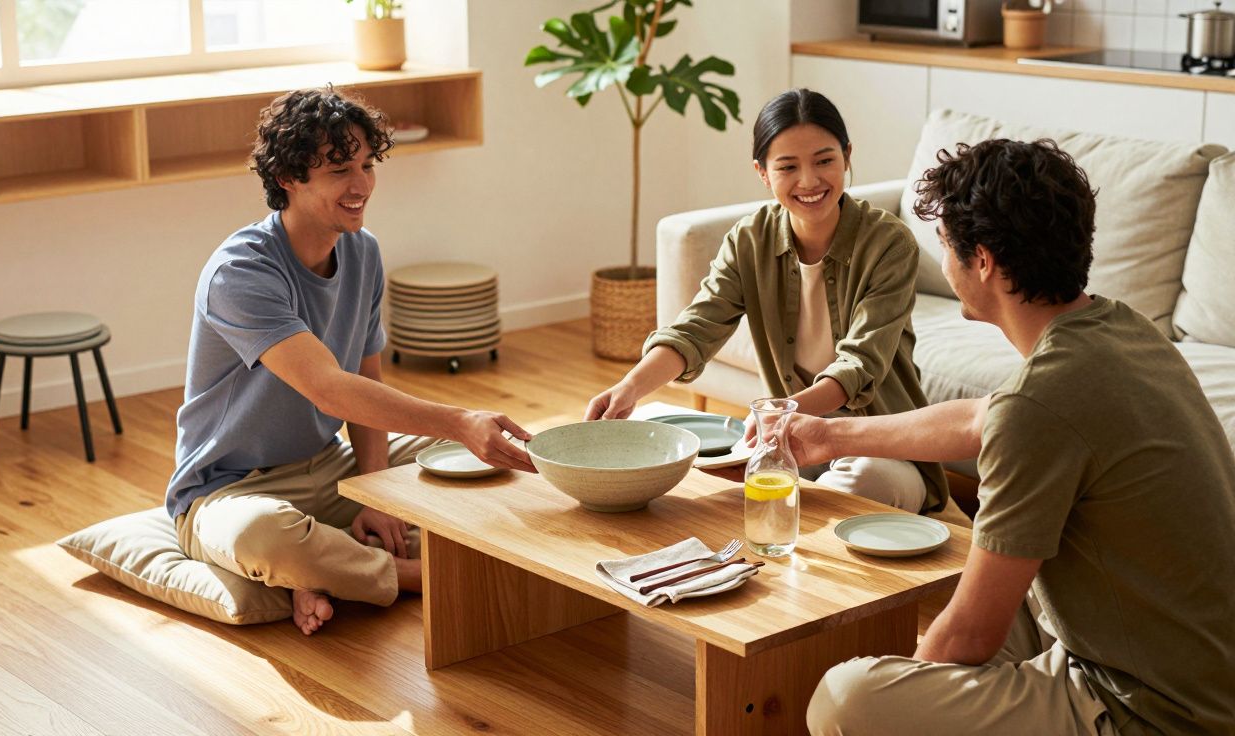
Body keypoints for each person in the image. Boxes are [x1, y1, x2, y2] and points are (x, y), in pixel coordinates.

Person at [798, 138, 1235, 735]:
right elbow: (982, 419)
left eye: (947, 248)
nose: (944, 265)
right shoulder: (1118, 327)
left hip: (1151, 709)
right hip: (1188, 664)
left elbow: (971, 635)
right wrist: (827, 436)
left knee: (845, 699)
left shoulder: (1041, 403)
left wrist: (912, 692)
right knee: (984, 599)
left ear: (982, 261)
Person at [165, 87, 536, 637]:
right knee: (262, 537)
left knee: (495, 461)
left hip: (328, 465)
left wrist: (376, 490)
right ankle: (413, 575)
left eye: (366, 165)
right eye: (340, 169)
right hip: (229, 489)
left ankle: (318, 572)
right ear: (289, 177)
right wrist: (459, 420)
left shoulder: (363, 252)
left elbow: (367, 384)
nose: (360, 185)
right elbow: (330, 390)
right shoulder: (240, 273)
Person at [585, 88, 946, 513]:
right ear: (762, 171)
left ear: (847, 156)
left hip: (876, 446)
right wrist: (629, 389)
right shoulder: (749, 240)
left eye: (825, 160)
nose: (809, 181)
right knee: (673, 465)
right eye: (788, 167)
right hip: (787, 443)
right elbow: (696, 329)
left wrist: (779, 415)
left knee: (854, 484)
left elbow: (860, 364)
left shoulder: (889, 244)